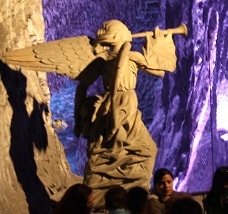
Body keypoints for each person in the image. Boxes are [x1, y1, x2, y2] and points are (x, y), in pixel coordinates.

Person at [2, 20, 184, 202]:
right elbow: (158, 71)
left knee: (114, 149)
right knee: (144, 149)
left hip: (114, 106)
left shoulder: (107, 60)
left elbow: (82, 86)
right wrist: (157, 44)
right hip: (121, 107)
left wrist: (79, 115)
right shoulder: (126, 57)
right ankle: (126, 194)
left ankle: (104, 191)